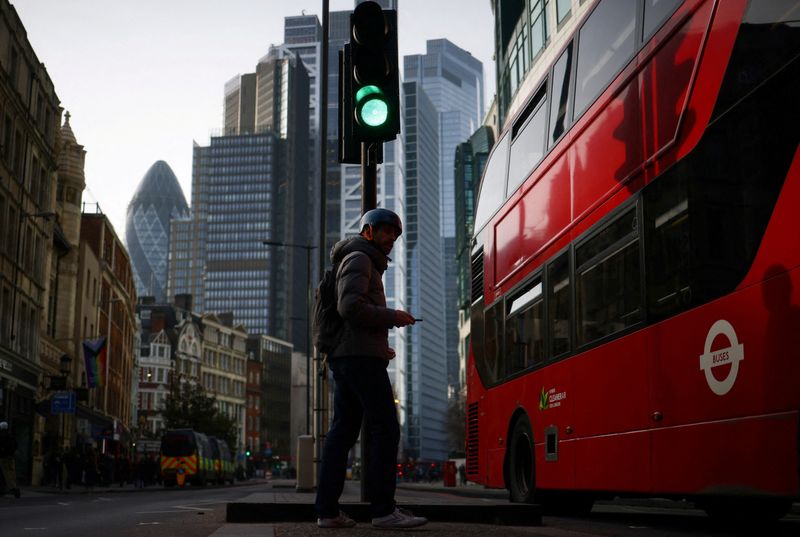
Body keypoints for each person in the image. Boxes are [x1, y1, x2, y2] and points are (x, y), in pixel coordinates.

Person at [315, 208, 428, 529]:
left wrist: (381, 347)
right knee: (385, 429)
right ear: (368, 232)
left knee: (343, 432)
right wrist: (392, 316)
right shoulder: (360, 259)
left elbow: (353, 317)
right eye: (385, 231)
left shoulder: (359, 259)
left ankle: (327, 511)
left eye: (395, 233)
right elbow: (349, 307)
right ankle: (383, 510)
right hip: (357, 359)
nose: (391, 237)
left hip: (351, 355)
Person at [0, 421, 20, 498]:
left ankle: (11, 489)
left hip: (3, 458)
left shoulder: (1, 436)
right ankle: (13, 487)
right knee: (11, 473)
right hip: (11, 458)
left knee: (4, 474)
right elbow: (16, 445)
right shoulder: (11, 436)